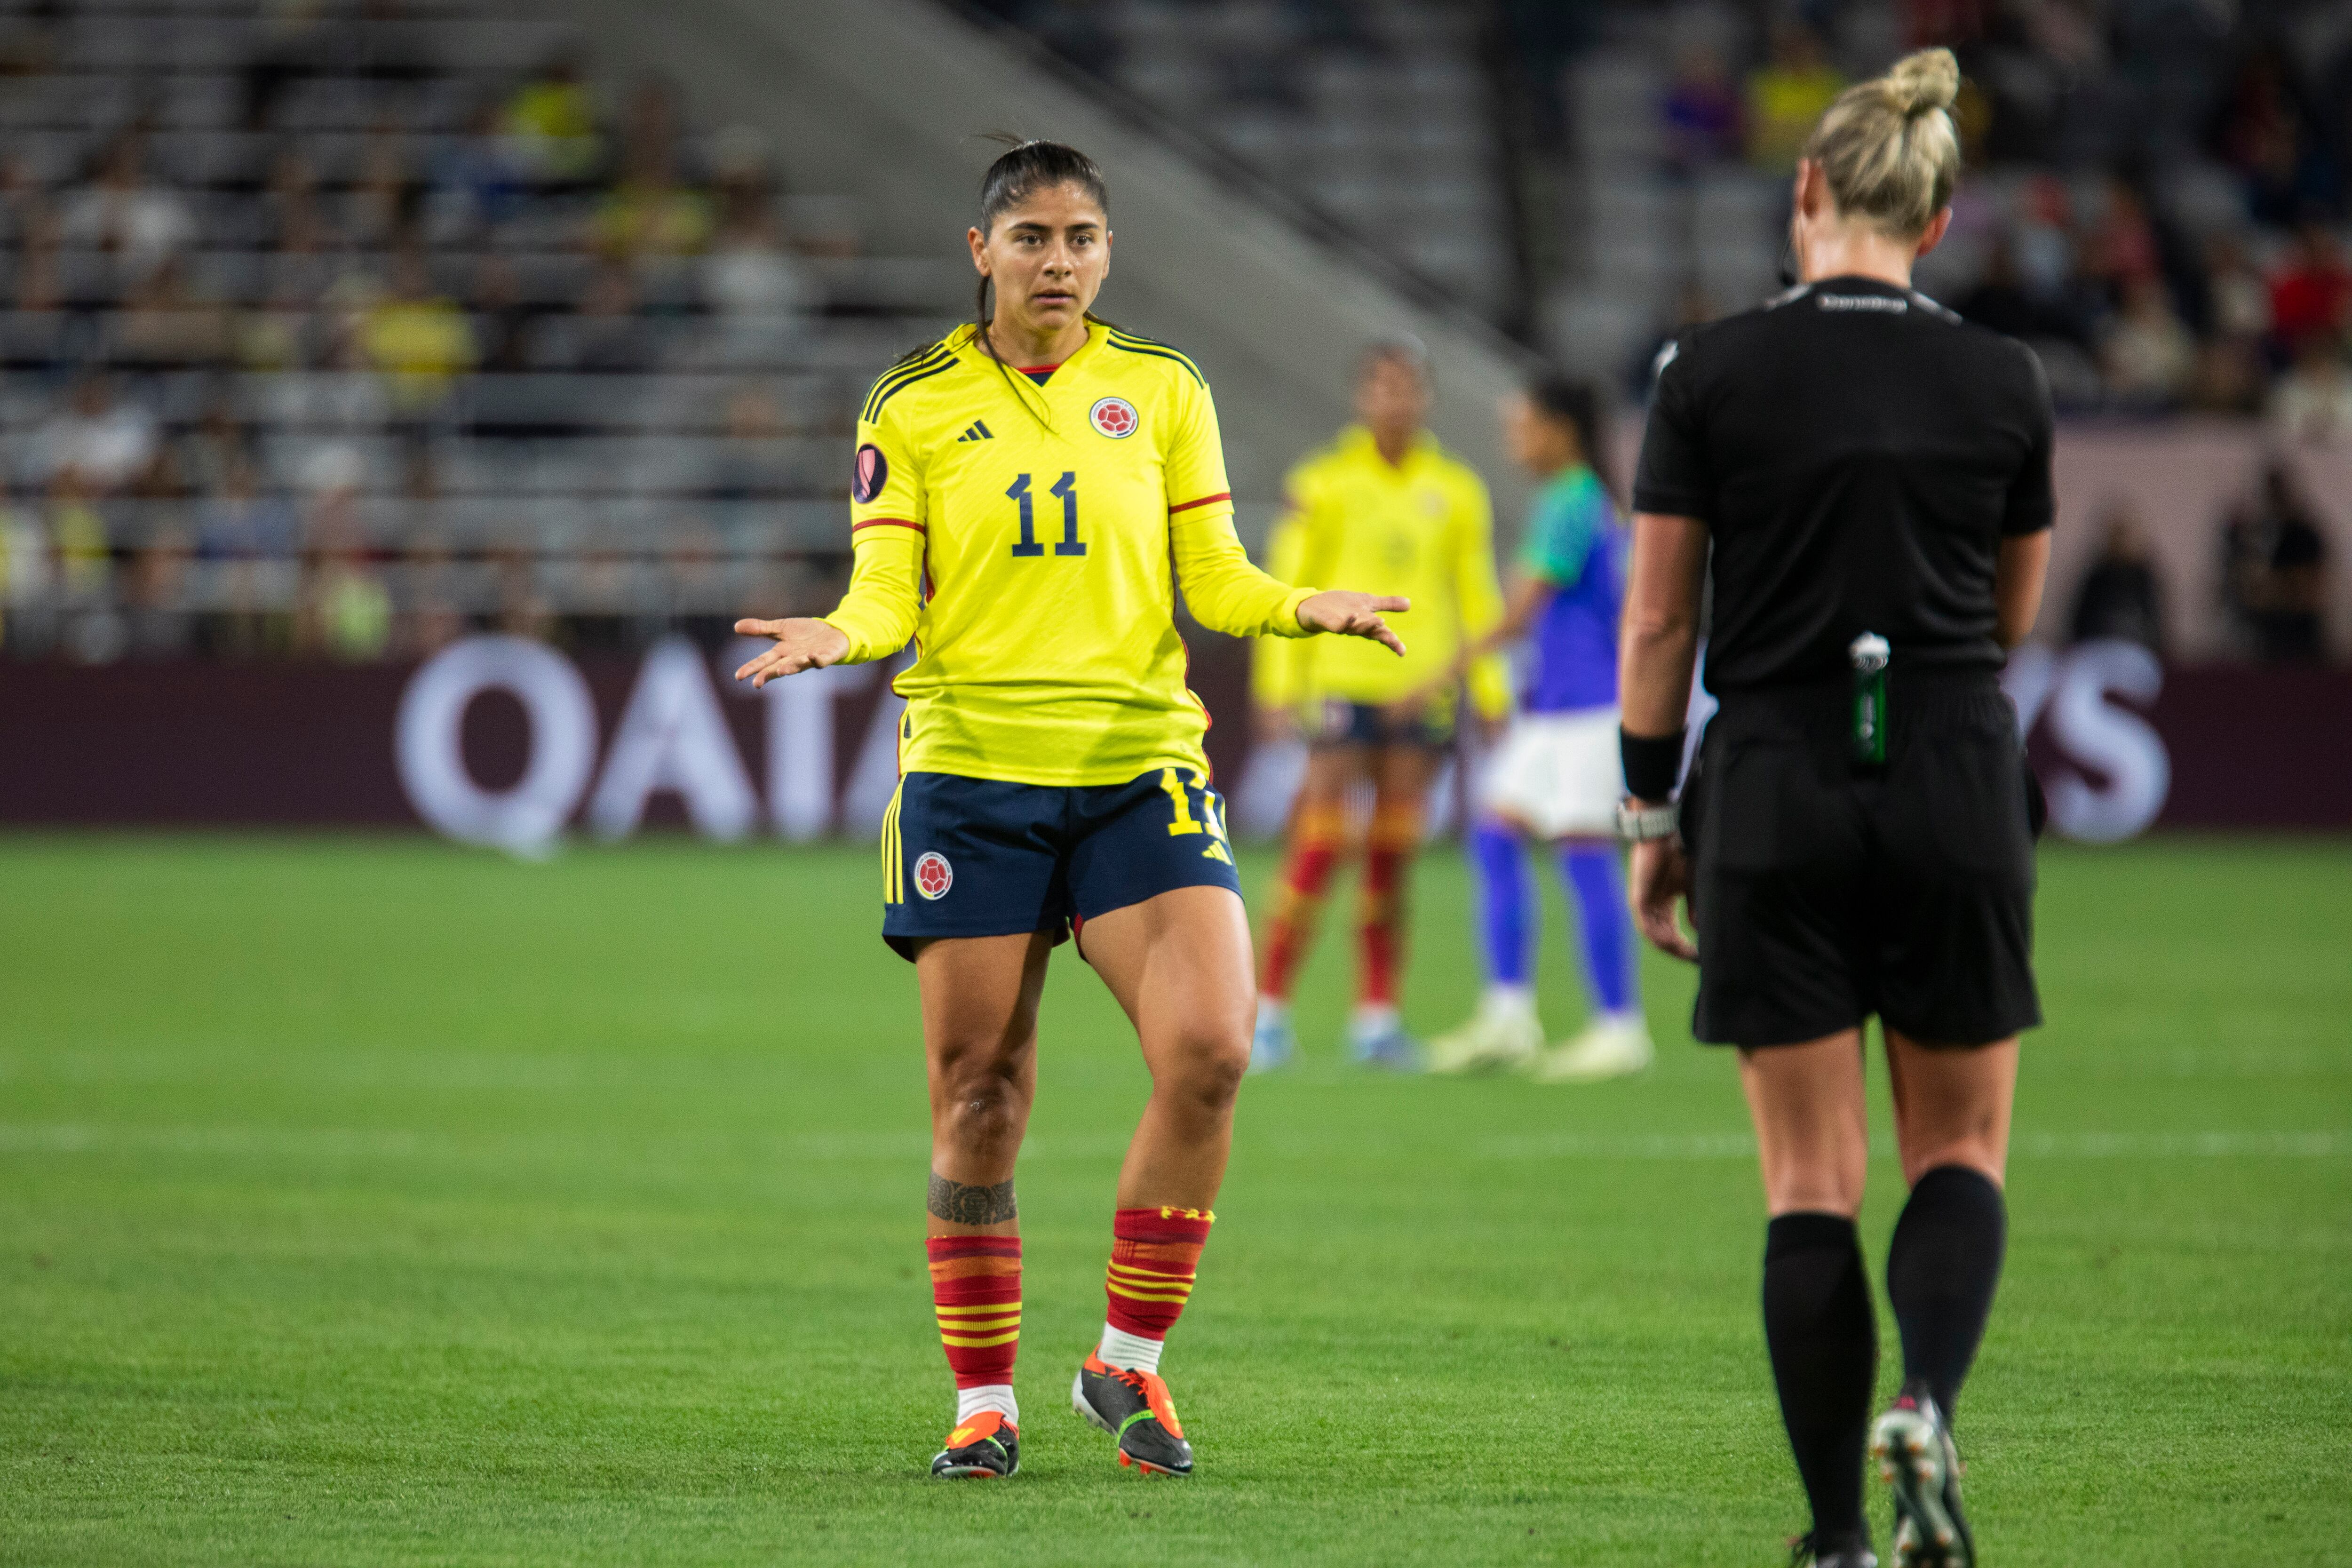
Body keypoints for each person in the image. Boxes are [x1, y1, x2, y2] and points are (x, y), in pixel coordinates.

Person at [731, 140, 1408, 1483]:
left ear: (1108, 252)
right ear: (979, 251)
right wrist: (840, 633)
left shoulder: (1160, 388)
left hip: (1137, 767)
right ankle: (985, 1400)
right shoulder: (911, 403)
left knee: (1213, 1047)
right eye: (1032, 238)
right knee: (982, 1092)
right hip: (974, 776)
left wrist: (1296, 605)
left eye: (1083, 237)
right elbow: (888, 595)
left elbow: (1211, 574)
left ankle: (1128, 1363)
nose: (1060, 262)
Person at [1618, 50, 2053, 1568]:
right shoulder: (2006, 378)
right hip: (1948, 764)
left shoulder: (1711, 371)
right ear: (1936, 224)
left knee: (1811, 1179)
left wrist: (1645, 813)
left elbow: (1663, 627)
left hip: (1777, 775)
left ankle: (1831, 1537)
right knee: (1960, 1150)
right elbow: (2008, 620)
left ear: (1804, 193)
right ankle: (1926, 1400)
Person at [1247, 340, 1507, 1070]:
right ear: (1362, 397)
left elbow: (1475, 590)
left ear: (1425, 397)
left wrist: (1488, 687)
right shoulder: (1323, 482)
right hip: (1339, 679)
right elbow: (1290, 584)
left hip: (1419, 685)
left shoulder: (1456, 488)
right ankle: (1268, 1012)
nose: (1394, 400)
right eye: (1381, 387)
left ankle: (1377, 1017)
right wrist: (1277, 685)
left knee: (1391, 853)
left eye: (1407, 388)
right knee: (1321, 841)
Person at [1424, 375, 1650, 1082]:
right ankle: (1509, 1016)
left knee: (1583, 853)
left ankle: (1620, 1027)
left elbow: (1521, 610)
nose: (1514, 439)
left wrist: (1441, 672)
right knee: (1495, 834)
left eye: (1524, 424)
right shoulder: (1586, 500)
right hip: (1558, 708)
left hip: (1585, 707)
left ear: (1562, 429)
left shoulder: (1572, 501)